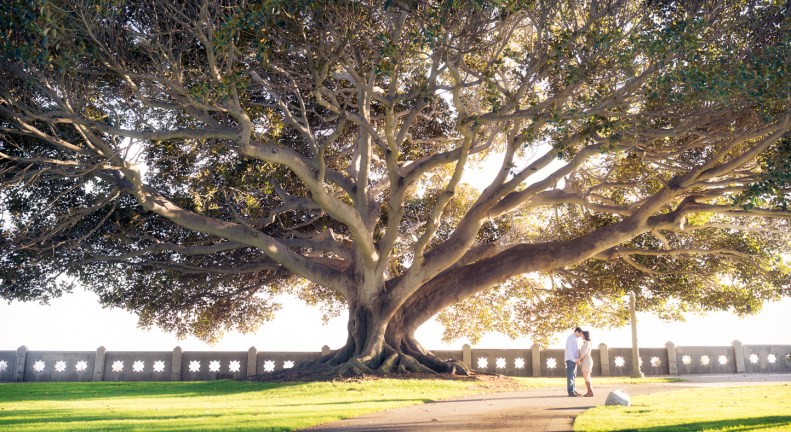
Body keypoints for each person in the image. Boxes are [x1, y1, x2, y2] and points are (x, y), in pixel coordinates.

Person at [564, 327, 583, 397]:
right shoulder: (570, 338)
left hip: (574, 360)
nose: (581, 336)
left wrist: (577, 359)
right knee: (570, 376)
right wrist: (574, 360)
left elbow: (575, 351)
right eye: (580, 334)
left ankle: (573, 390)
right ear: (577, 332)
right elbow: (569, 351)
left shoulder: (575, 339)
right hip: (570, 360)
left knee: (573, 376)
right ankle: (570, 391)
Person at [578, 330, 594, 397]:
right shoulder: (586, 343)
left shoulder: (587, 343)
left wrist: (578, 360)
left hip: (587, 361)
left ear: (585, 335)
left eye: (582, 334)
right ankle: (590, 392)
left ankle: (590, 392)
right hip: (585, 361)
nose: (581, 336)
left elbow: (584, 354)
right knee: (587, 376)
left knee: (585, 376)